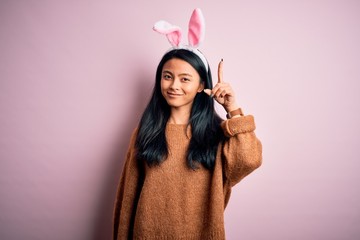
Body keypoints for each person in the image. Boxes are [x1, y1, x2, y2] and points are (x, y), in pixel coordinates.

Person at [113, 9, 262, 240]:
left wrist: (233, 109)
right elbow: (128, 198)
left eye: (185, 79)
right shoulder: (144, 133)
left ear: (202, 84)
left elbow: (249, 159)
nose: (174, 85)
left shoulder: (218, 135)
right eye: (167, 76)